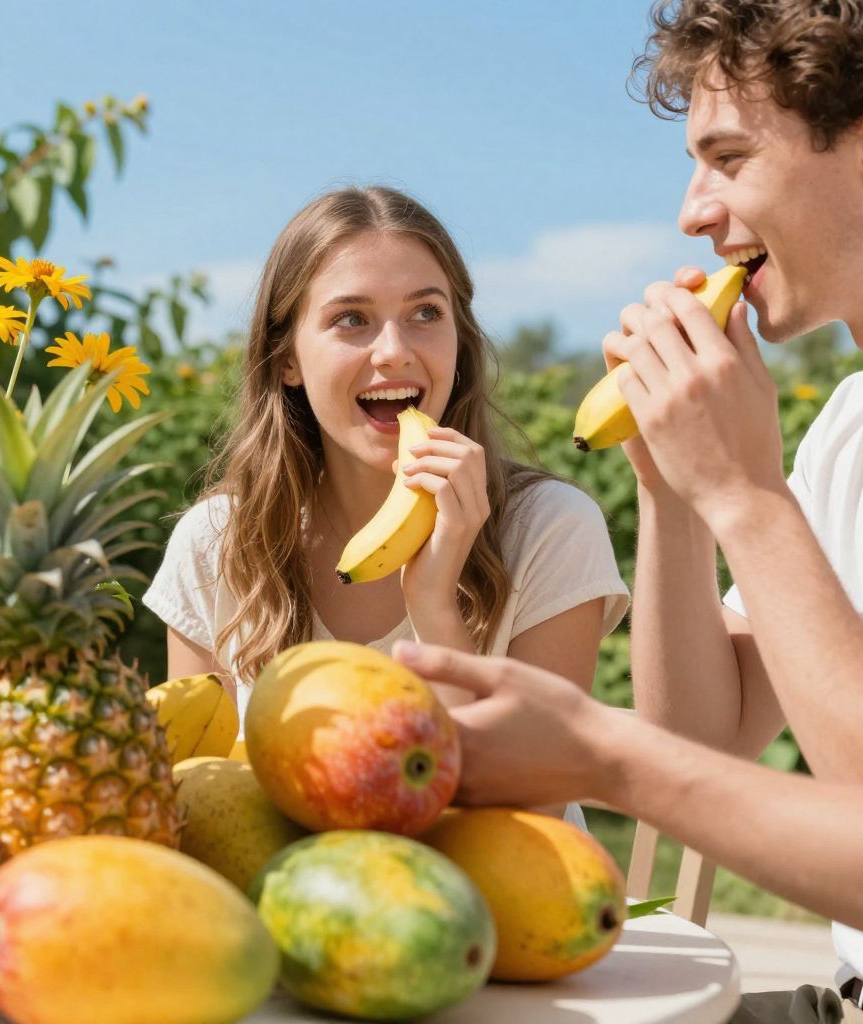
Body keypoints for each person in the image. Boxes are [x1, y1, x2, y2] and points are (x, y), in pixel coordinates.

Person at [598, 0, 863, 1018]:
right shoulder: (848, 424)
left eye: (729, 158)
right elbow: (698, 738)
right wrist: (678, 494)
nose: (693, 212)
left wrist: (746, 494)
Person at [143, 186, 629, 825]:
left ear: (460, 339)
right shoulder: (217, 543)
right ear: (287, 359)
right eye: (352, 318)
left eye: (427, 313)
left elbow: (526, 818)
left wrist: (434, 606)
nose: (395, 349)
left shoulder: (551, 530)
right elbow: (203, 800)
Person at [399, 639, 863, 1023]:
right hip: (854, 1002)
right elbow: (702, 739)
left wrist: (610, 761)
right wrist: (667, 501)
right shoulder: (834, 475)